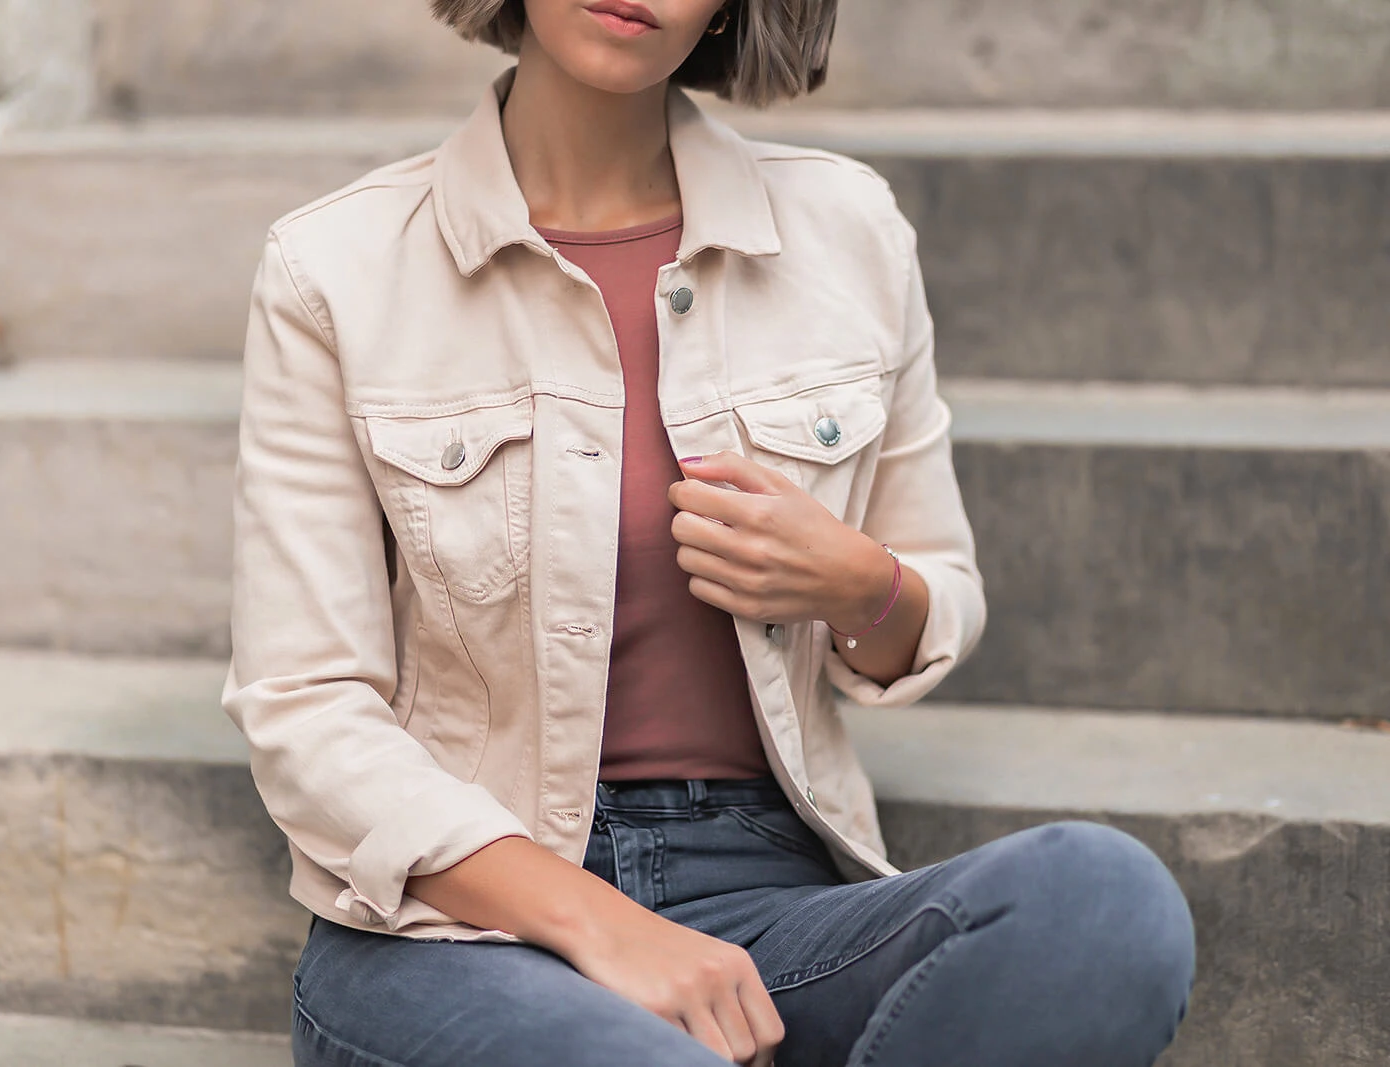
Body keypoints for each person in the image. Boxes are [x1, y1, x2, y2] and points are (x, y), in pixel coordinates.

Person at [223, 1, 1197, 1063]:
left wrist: (855, 584)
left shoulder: (846, 229)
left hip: (764, 895)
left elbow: (939, 586)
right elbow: (306, 709)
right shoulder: (337, 266)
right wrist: (603, 924)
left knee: (1103, 902)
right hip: (450, 923)